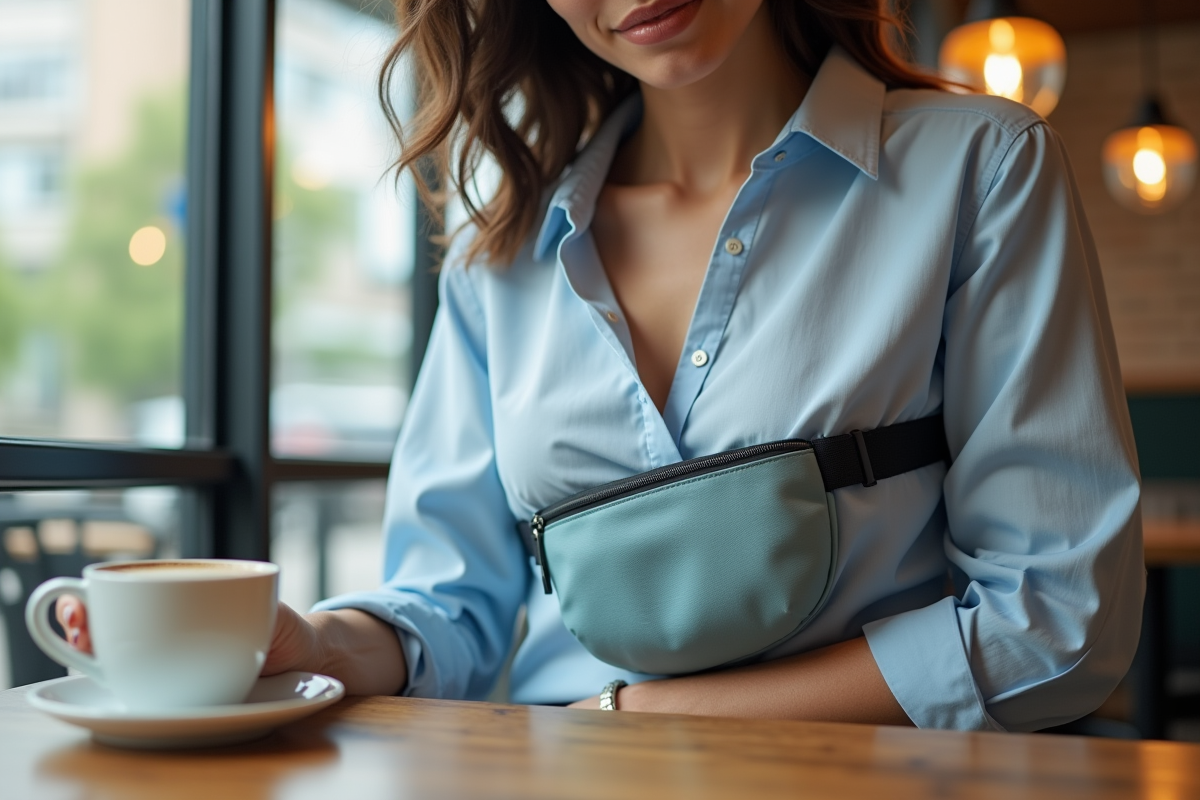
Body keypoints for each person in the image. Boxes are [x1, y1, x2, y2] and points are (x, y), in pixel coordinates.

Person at [60, 0, 1143, 731]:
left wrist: (637, 718)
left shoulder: (982, 170)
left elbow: (1056, 619)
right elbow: (451, 603)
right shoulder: (497, 254)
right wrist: (314, 642)